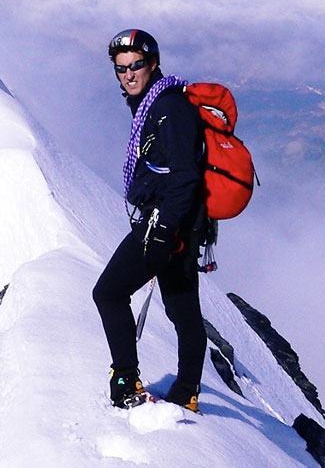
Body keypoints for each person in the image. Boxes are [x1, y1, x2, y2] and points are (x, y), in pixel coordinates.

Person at [92, 28, 207, 411]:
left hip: (166, 225)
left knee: (108, 293)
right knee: (183, 310)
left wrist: (161, 233)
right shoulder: (154, 104)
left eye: (136, 65)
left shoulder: (169, 110)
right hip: (180, 225)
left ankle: (125, 381)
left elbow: (185, 176)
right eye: (121, 68)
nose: (128, 74)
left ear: (153, 63)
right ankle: (186, 393)